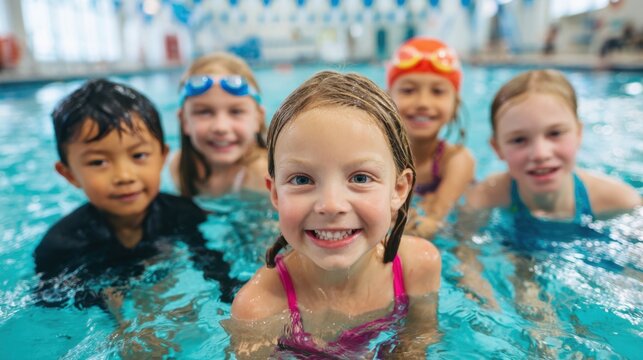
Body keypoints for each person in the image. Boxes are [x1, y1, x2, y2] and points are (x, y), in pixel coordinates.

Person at [226, 71, 441, 358]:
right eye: (302, 180)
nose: (331, 205)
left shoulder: (418, 266)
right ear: (275, 193)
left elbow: (415, 345)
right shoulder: (259, 308)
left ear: (399, 189)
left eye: (361, 178)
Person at [33, 79, 240, 308]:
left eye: (139, 155)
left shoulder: (184, 213)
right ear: (69, 174)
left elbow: (213, 265)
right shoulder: (61, 246)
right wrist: (100, 299)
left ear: (162, 156)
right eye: (99, 161)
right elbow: (50, 300)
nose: (124, 175)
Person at [465, 69, 640, 222]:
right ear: (497, 148)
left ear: (578, 134)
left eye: (555, 134)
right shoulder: (485, 196)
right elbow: (464, 251)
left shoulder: (620, 201)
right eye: (519, 140)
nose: (540, 154)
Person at [387, 37, 475, 238]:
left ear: (455, 105)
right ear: (387, 99)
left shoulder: (456, 160)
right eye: (408, 90)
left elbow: (434, 220)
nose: (423, 102)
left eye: (438, 91)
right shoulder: (376, 155)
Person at [169, 52, 268, 197]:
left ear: (258, 119)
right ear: (184, 121)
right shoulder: (178, 167)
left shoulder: (263, 176)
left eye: (236, 112)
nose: (220, 127)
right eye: (204, 112)